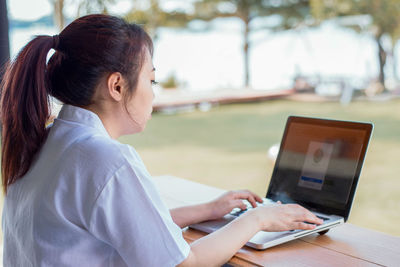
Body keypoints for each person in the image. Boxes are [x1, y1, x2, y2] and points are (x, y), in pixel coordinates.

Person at [0, 14, 322, 267]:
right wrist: (260, 217)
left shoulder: (47, 142)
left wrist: (206, 209)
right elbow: (184, 263)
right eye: (151, 80)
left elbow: (122, 227)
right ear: (116, 86)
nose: (154, 93)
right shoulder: (105, 159)